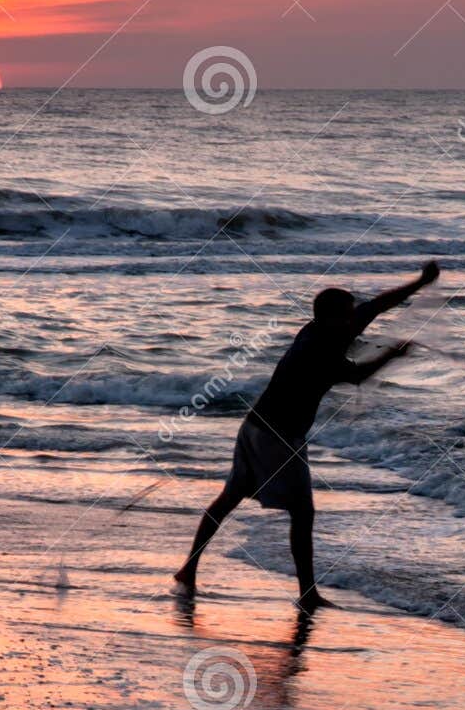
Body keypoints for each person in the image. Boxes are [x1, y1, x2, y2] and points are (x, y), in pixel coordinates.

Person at [175, 259, 441, 610]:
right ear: (328, 318)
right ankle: (307, 594)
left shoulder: (325, 330)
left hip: (256, 426)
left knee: (231, 498)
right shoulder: (316, 349)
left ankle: (188, 570)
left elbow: (376, 305)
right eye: (346, 316)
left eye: (351, 315)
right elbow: (358, 376)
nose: (353, 321)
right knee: (302, 512)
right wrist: (393, 353)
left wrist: (419, 283)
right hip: (278, 437)